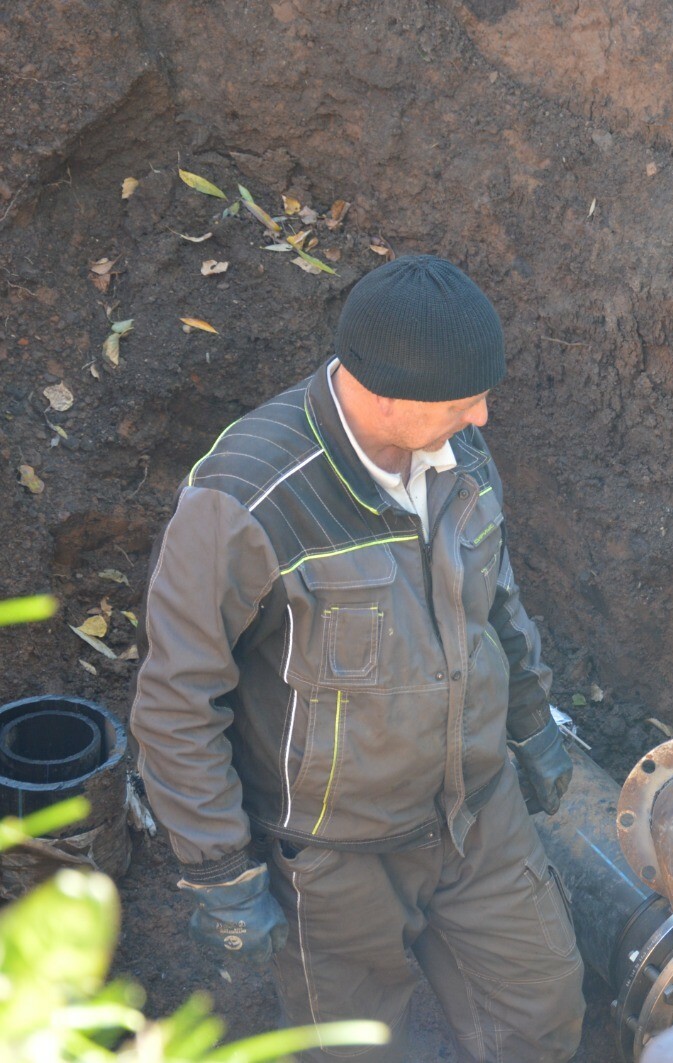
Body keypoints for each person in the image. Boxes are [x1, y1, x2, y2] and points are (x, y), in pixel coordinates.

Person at [130, 255, 586, 1062]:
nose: (482, 416)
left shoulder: (460, 456)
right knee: (357, 1049)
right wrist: (220, 868)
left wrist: (531, 727)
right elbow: (177, 702)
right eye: (462, 401)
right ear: (384, 395)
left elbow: (498, 607)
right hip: (334, 857)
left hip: (477, 812)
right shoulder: (246, 499)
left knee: (542, 1015)